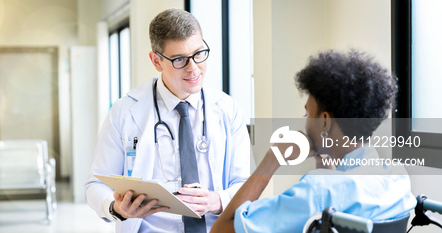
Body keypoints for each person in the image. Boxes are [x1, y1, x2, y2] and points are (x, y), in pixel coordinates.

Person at [211, 50, 417, 233]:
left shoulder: (315, 191)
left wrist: (271, 159)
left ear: (325, 120)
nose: (306, 122)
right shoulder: (397, 176)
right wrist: (324, 160)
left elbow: (221, 229)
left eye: (307, 113)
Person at [86, 9, 251, 233]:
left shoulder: (227, 109)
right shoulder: (125, 112)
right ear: (156, 60)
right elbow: (95, 185)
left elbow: (246, 185)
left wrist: (216, 200)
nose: (193, 68)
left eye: (199, 53)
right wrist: (117, 208)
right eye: (180, 59)